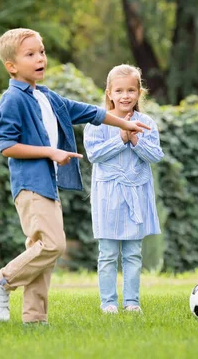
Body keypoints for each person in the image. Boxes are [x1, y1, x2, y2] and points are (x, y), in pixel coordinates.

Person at [0, 28, 151, 325]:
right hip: (30, 185)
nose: (40, 58)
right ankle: (1, 280)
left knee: (40, 251)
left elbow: (89, 112)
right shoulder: (13, 99)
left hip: (47, 184)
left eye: (42, 51)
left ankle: (35, 319)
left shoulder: (45, 96)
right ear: (11, 66)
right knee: (53, 245)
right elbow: (6, 146)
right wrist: (50, 152)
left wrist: (126, 124)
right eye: (30, 54)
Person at [84, 64, 164, 314]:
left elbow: (155, 155)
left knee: (132, 253)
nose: (125, 96)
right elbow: (94, 154)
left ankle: (131, 302)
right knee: (107, 253)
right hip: (108, 197)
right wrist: (120, 138)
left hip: (135, 196)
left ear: (139, 92)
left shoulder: (146, 122)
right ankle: (108, 302)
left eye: (131, 90)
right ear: (109, 93)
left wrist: (135, 138)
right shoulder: (97, 122)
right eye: (119, 90)